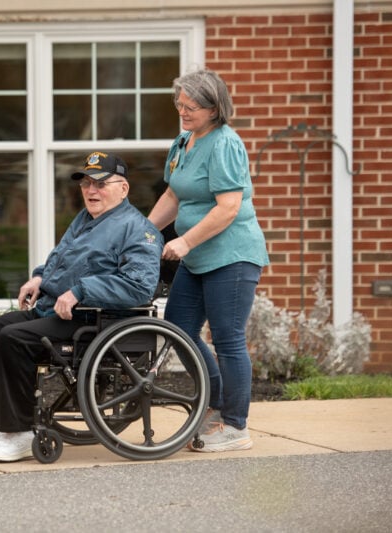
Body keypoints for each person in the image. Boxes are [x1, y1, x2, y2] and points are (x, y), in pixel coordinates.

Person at [0, 151, 162, 462]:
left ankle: (21, 432)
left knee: (14, 338)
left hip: (93, 319)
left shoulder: (138, 230)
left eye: (100, 184)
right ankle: (1, 428)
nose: (91, 190)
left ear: (123, 188)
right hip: (55, 309)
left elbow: (139, 288)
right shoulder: (85, 219)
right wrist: (40, 277)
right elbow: (63, 258)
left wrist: (81, 291)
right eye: (86, 183)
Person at [148, 68, 269, 453]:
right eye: (179, 105)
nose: (183, 112)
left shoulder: (225, 144)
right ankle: (214, 405)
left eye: (192, 107)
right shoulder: (185, 141)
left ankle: (235, 426)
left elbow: (229, 208)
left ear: (215, 108)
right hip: (198, 256)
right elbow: (174, 195)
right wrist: (144, 233)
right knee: (180, 329)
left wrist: (183, 241)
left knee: (228, 339)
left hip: (231, 256)